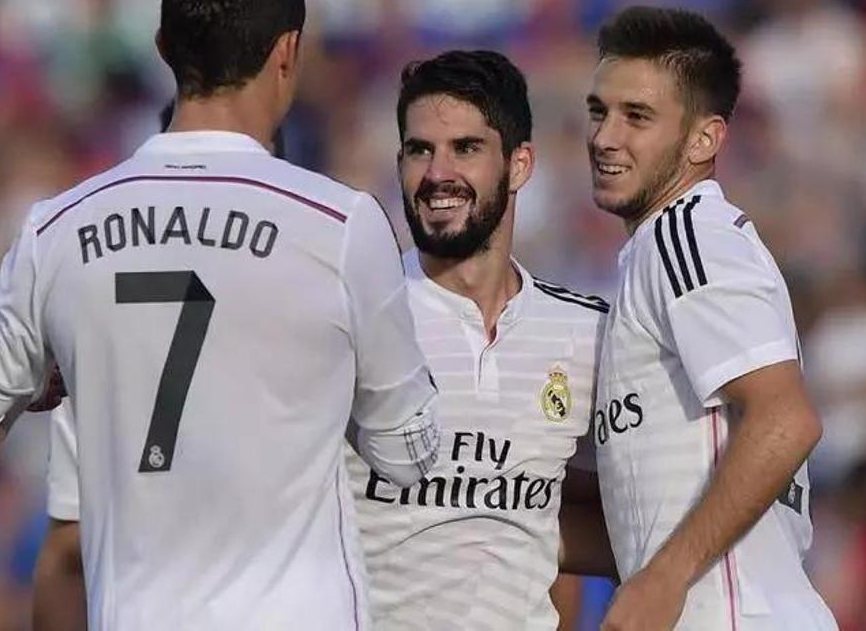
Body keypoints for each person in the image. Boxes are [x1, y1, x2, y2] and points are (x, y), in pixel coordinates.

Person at [0, 0, 440, 629]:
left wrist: (37, 381)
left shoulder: (57, 229)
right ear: (288, 51)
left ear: (164, 48)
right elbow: (408, 456)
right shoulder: (340, 224)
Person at [32, 50, 616, 630]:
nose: (439, 172)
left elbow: (598, 514)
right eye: (420, 150)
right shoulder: (335, 311)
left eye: (465, 148)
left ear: (520, 164)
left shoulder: (585, 332)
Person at [584, 6, 836, 630]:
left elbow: (786, 419)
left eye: (636, 116)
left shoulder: (686, 234)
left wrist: (664, 578)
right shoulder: (655, 253)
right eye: (599, 111)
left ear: (704, 139)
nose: (605, 137)